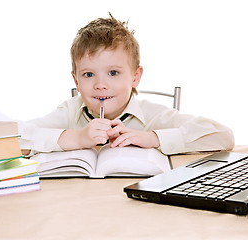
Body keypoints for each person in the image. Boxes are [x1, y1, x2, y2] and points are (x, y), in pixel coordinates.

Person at [19, 14, 234, 156]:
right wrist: (76, 137)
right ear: (76, 80)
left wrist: (153, 138)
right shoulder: (70, 111)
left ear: (135, 76)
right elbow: (9, 138)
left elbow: (224, 136)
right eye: (88, 74)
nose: (101, 85)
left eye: (113, 73)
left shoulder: (152, 115)